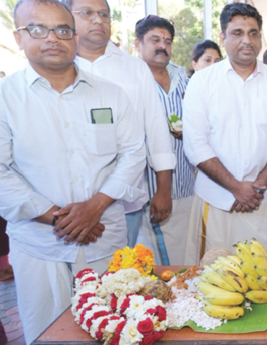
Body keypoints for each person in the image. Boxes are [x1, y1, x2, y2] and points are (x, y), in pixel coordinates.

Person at [0, 0, 146, 342]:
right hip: (39, 247)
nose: (53, 38)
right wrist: (60, 218)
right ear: (18, 38)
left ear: (75, 37)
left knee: (114, 331)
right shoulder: (4, 98)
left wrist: (93, 207)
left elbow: (134, 154)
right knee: (47, 335)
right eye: (37, 29)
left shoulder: (111, 95)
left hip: (104, 240)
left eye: (63, 30)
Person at [183, 3, 267, 265]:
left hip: (261, 200)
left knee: (260, 280)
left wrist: (254, 189)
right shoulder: (202, 81)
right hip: (215, 199)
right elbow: (196, 145)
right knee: (211, 282)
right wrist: (236, 188)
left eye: (254, 33)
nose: (247, 40)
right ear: (223, 37)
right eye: (237, 33)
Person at [64, 0, 176, 246]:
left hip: (125, 198)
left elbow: (156, 128)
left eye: (104, 14)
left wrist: (164, 189)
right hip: (68, 200)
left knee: (121, 273)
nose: (98, 20)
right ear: (67, 18)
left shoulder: (134, 68)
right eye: (87, 13)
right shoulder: (58, 66)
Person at [135, 16, 196, 265]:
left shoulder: (185, 80)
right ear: (138, 43)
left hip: (188, 181)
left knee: (187, 250)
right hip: (150, 188)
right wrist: (162, 190)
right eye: (155, 40)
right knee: (156, 258)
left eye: (168, 41)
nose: (163, 46)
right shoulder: (132, 81)